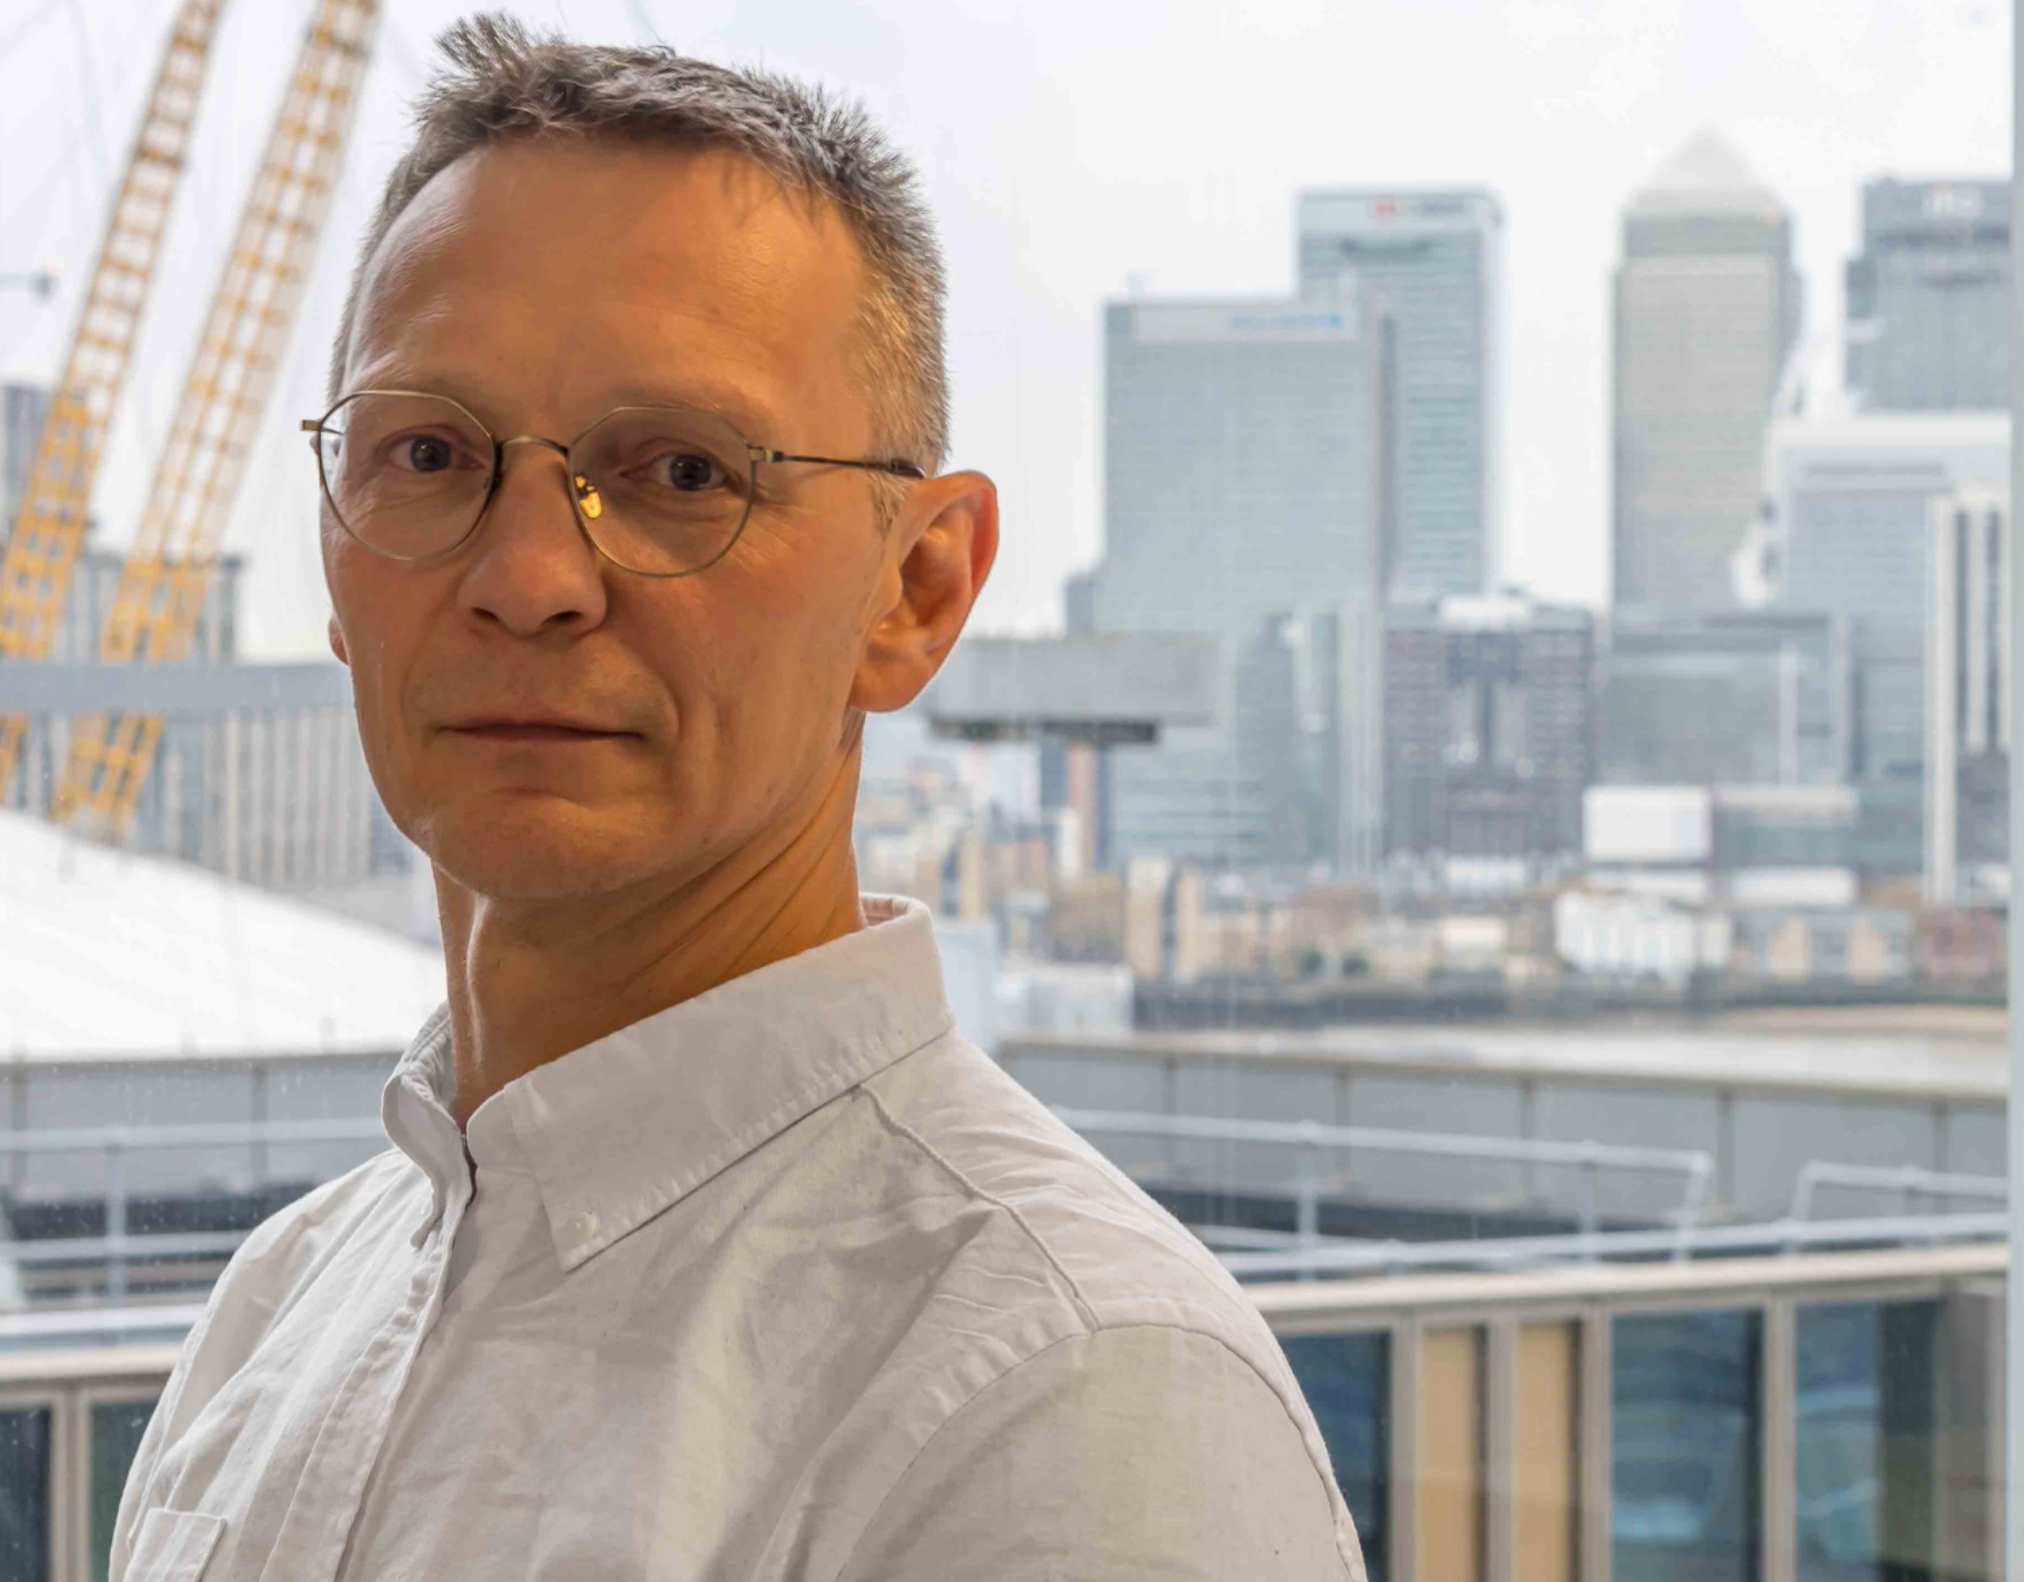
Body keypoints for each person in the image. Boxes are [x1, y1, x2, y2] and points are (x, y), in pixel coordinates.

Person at [110, 15, 1362, 1580]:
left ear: (916, 588)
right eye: (428, 450)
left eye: (682, 471)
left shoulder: (1072, 1389)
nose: (527, 577)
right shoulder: (281, 1305)